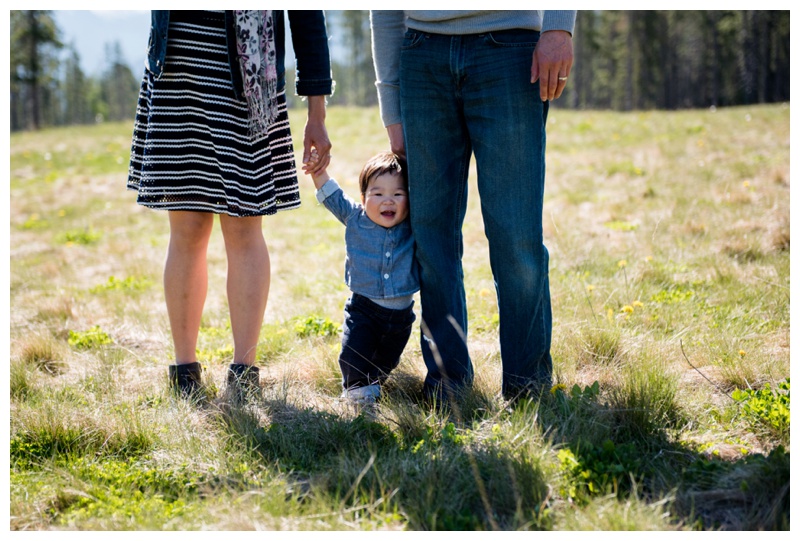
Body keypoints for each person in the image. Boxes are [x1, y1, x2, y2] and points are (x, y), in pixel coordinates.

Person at [370, 10, 576, 402]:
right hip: (422, 54)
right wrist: (391, 107)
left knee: (517, 238)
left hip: (511, 50)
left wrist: (559, 26)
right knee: (431, 239)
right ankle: (448, 384)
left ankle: (527, 387)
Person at [127, 10, 332, 399]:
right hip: (177, 64)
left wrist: (317, 114)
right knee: (186, 226)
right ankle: (184, 374)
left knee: (242, 226)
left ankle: (244, 373)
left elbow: (308, 19)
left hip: (248, 73)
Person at [304, 150, 418, 406]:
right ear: (364, 198)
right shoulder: (355, 217)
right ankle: (357, 401)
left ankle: (372, 386)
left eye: (398, 194)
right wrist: (318, 171)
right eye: (377, 194)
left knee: (385, 362)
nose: (387, 201)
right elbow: (333, 197)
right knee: (353, 355)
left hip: (401, 318)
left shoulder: (413, 223)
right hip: (364, 309)